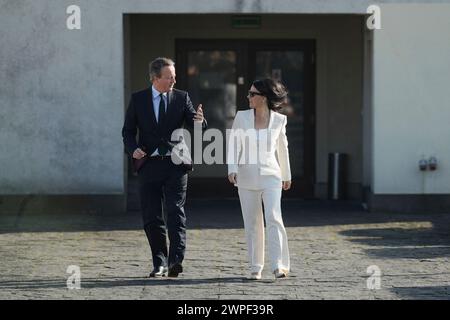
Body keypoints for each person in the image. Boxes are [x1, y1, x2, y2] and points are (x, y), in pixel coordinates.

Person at [122, 57, 206, 278]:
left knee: (175, 212)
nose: (173, 80)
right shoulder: (138, 99)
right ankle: (159, 262)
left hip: (175, 165)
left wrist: (199, 121)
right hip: (148, 165)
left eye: (174, 76)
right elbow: (128, 132)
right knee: (151, 216)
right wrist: (133, 150)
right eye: (169, 77)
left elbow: (195, 124)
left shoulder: (181, 97)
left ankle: (176, 261)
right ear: (155, 78)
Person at [227, 78, 291, 280]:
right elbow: (233, 144)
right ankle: (256, 266)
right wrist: (232, 168)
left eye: (252, 94)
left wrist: (286, 175)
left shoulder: (280, 120)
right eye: (249, 93)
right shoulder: (242, 117)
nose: (248, 97)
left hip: (272, 176)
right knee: (253, 222)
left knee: (273, 217)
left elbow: (283, 148)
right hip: (246, 177)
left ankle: (278, 265)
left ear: (264, 97)